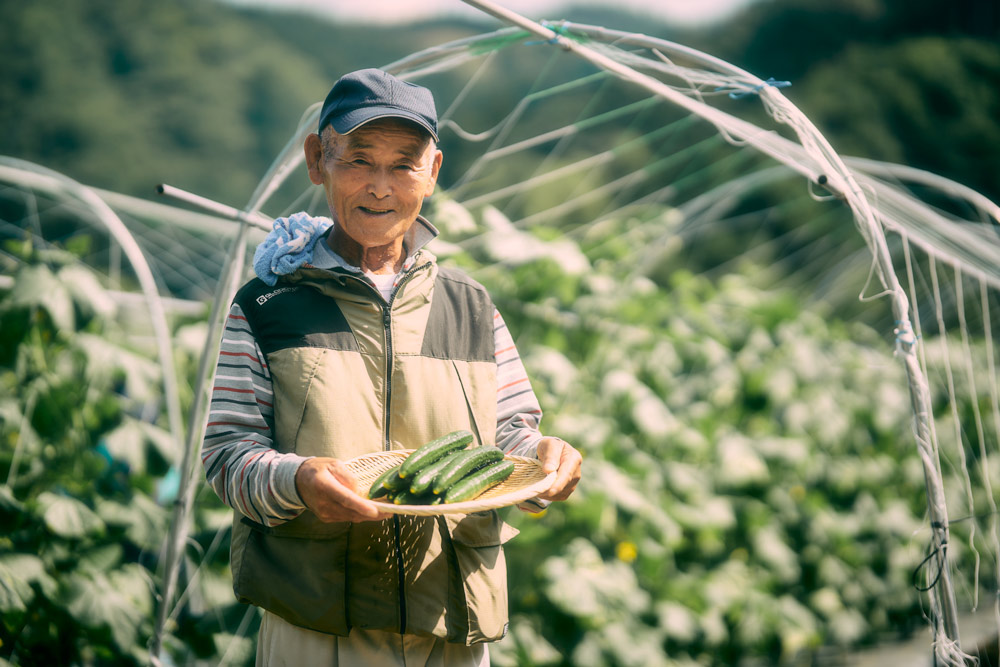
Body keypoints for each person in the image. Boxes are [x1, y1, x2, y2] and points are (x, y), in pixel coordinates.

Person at [202, 68, 582, 666]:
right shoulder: (267, 306)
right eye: (359, 160)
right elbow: (227, 454)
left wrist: (544, 459)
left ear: (432, 172)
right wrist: (297, 480)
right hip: (318, 623)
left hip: (450, 623)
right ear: (318, 160)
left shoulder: (471, 306)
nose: (380, 187)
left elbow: (509, 438)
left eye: (403, 165)